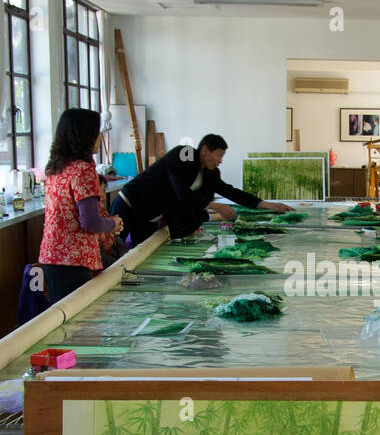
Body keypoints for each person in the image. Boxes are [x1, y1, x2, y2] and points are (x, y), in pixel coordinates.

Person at [110, 133, 292, 243]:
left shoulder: (210, 173)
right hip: (129, 205)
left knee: (141, 253)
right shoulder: (184, 154)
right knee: (121, 253)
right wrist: (214, 205)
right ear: (205, 149)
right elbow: (182, 193)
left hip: (150, 215)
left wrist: (266, 204)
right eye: (219, 155)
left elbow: (230, 191)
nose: (220, 160)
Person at [38, 108, 123, 304]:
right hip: (73, 262)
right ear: (84, 136)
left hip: (51, 258)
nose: (100, 137)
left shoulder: (55, 168)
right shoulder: (83, 170)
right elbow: (90, 221)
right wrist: (113, 224)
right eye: (96, 132)